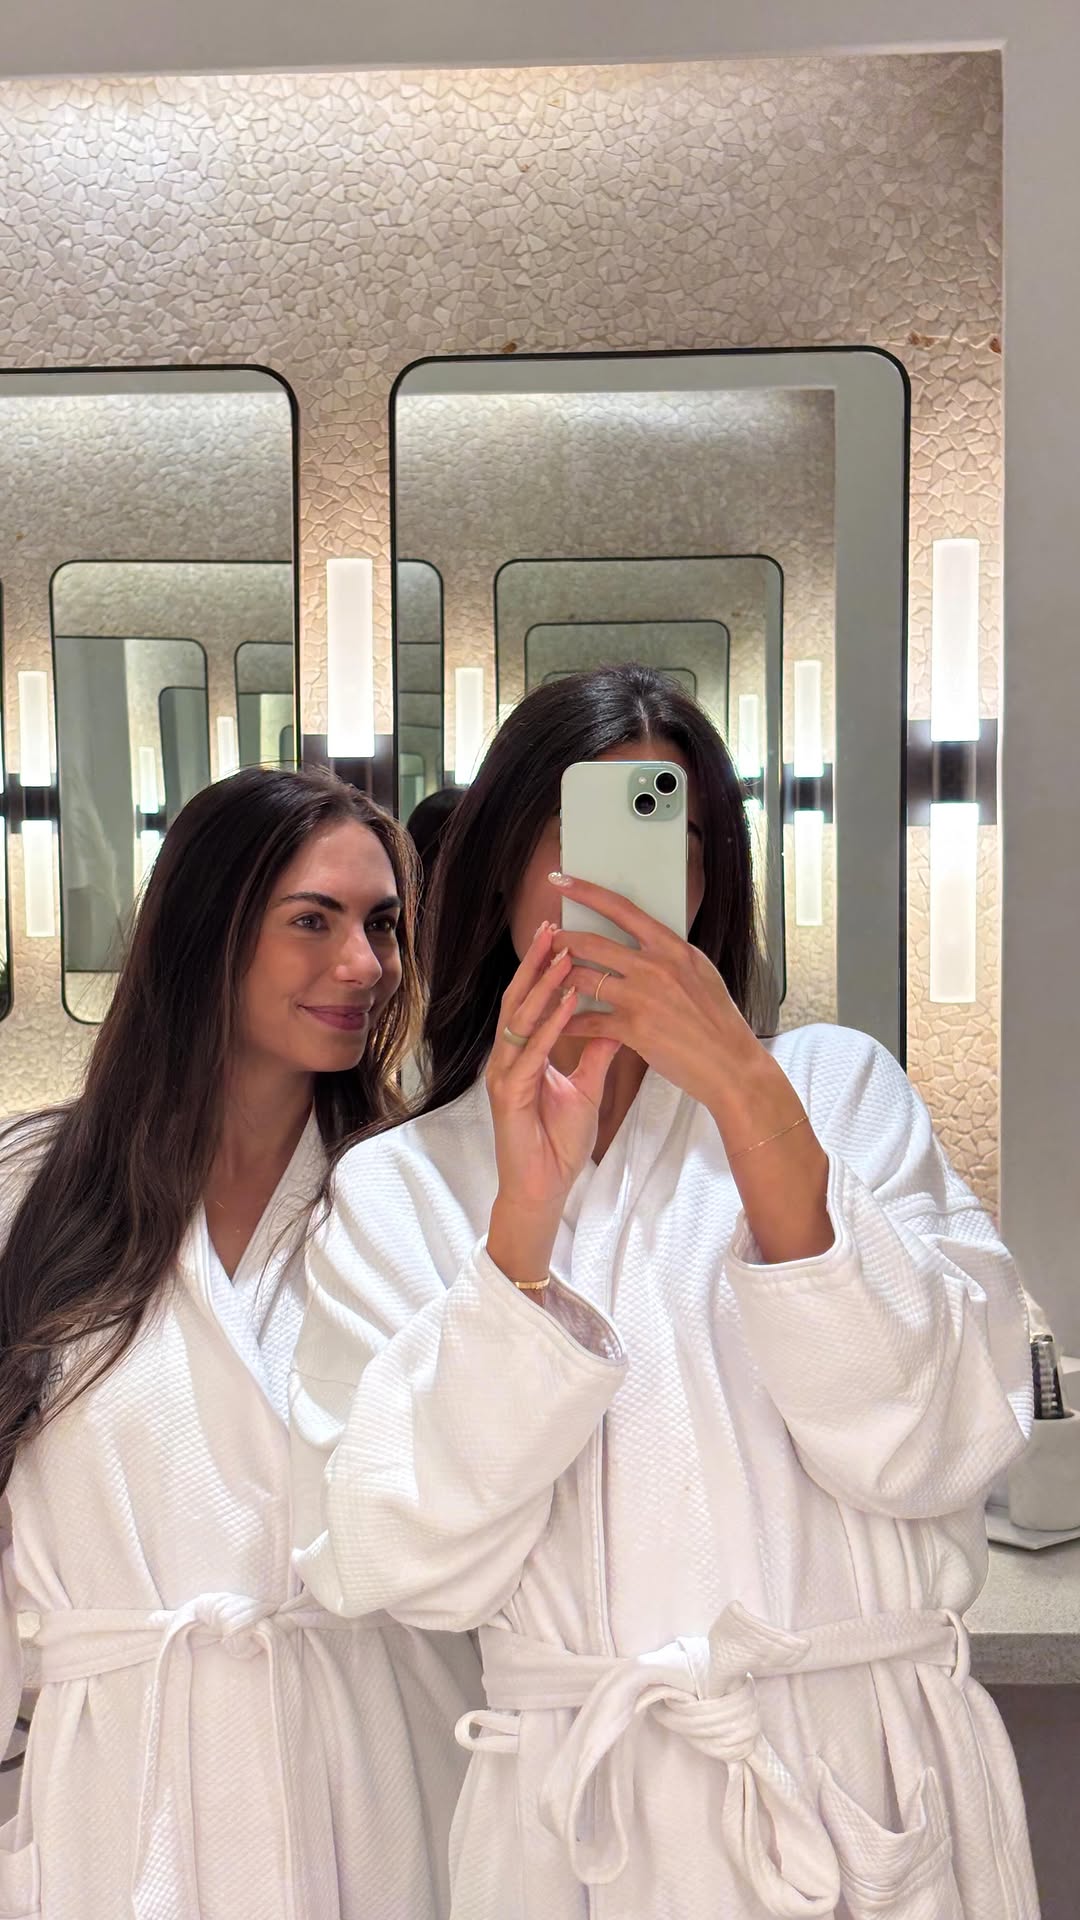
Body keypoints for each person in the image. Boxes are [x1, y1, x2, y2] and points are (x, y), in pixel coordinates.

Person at [290, 667, 1038, 1920]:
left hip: (856, 1783)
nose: (614, 884)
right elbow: (398, 1562)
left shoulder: (836, 1092)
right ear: (501, 877)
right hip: (583, 1829)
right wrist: (522, 1226)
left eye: (662, 841)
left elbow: (939, 1442)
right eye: (570, 839)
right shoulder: (401, 1187)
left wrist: (747, 1098)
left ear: (704, 884)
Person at [0, 767, 477, 1920]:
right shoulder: (31, 1192)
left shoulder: (412, 1198)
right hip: (121, 1783)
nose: (365, 965)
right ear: (205, 931)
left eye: (382, 925)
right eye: (313, 921)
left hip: (370, 1764)